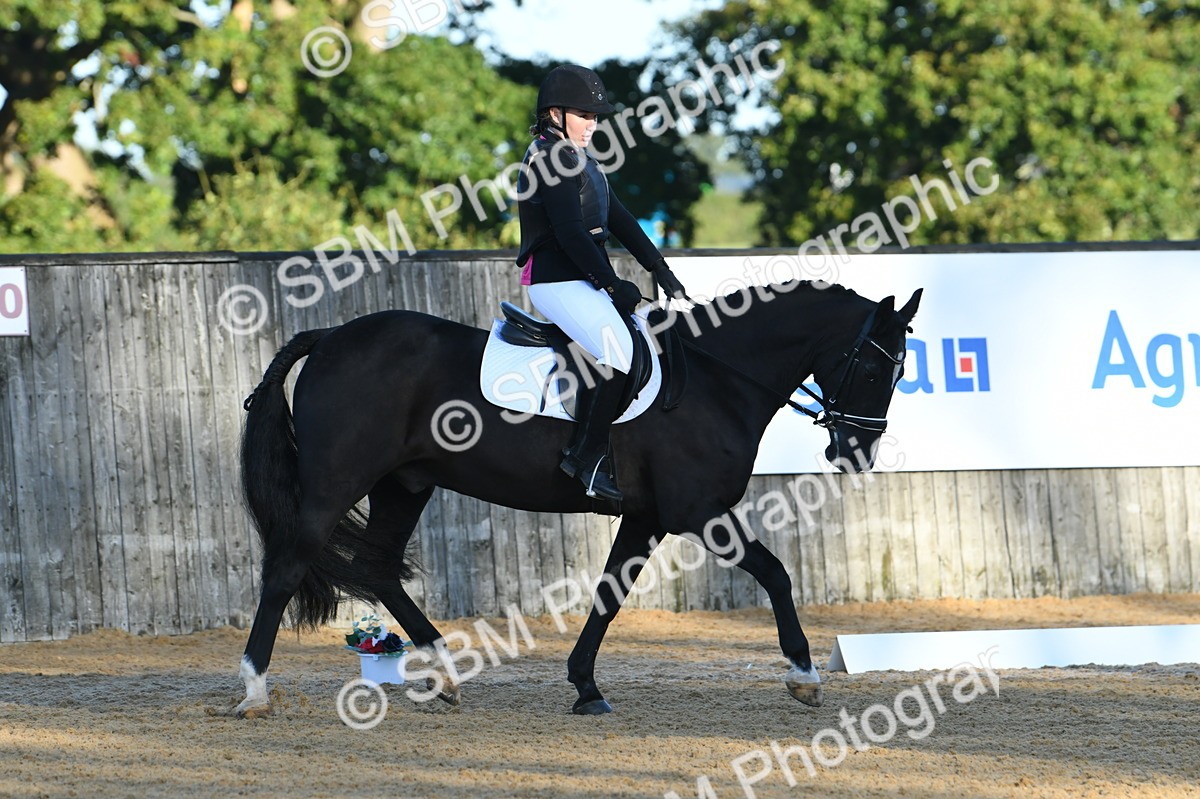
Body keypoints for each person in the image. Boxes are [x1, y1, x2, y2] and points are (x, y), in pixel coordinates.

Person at [515, 64, 689, 502]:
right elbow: (572, 233)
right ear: (555, 114)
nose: (593, 124)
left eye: (596, 117)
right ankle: (586, 458)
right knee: (620, 349)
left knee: (641, 339)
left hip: (580, 279)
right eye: (584, 115)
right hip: (554, 281)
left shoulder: (581, 159)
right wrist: (613, 286)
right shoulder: (549, 157)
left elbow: (619, 218)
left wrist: (659, 268)